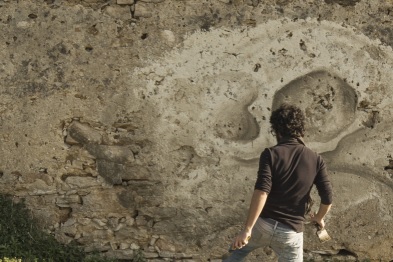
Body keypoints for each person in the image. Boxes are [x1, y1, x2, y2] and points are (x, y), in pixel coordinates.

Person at [223, 103, 333, 262]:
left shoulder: (270, 154)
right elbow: (328, 197)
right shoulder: (316, 160)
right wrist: (319, 217)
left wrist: (247, 230)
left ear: (277, 130)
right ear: (301, 129)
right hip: (291, 232)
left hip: (262, 226)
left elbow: (262, 191)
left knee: (235, 254)